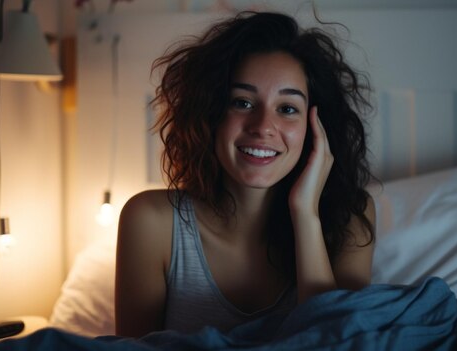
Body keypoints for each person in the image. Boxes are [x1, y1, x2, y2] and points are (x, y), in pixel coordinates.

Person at [115, 11, 376, 338]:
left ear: (316, 127)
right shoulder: (150, 221)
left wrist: (306, 215)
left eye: (287, 109)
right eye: (242, 102)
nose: (263, 127)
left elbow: (335, 343)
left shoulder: (350, 217)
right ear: (211, 113)